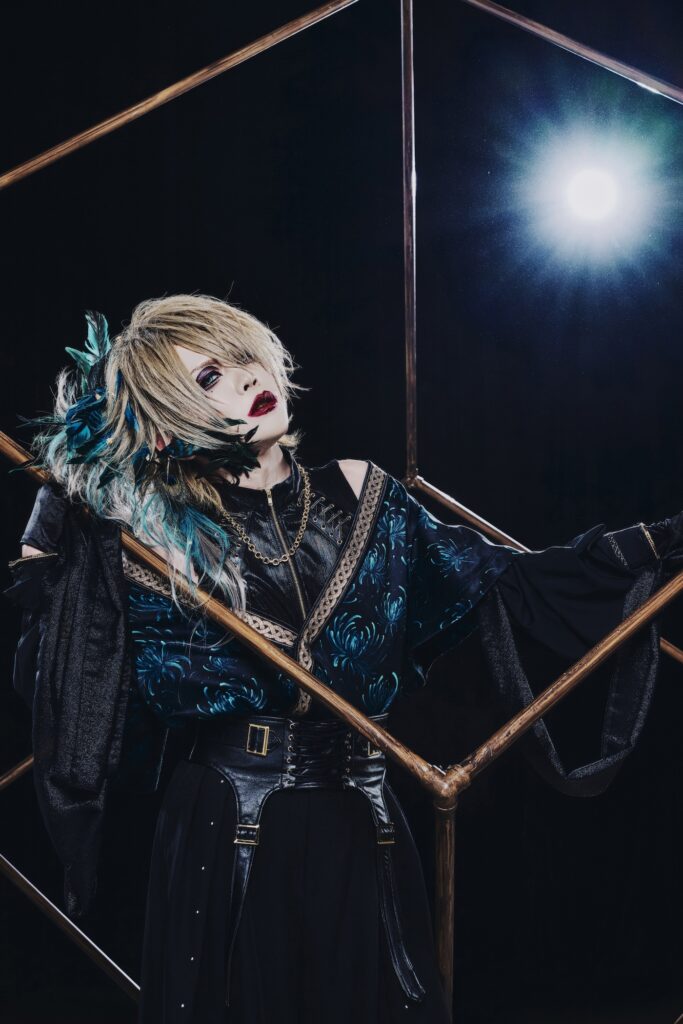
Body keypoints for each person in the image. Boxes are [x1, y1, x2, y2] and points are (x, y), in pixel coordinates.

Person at [5, 293, 683, 1024]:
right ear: (165, 427)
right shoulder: (147, 542)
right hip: (226, 821)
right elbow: (64, 681)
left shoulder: (362, 492)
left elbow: (505, 581)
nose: (245, 376)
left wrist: (653, 544)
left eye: (242, 356)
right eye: (207, 378)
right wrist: (50, 539)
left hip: (362, 814)